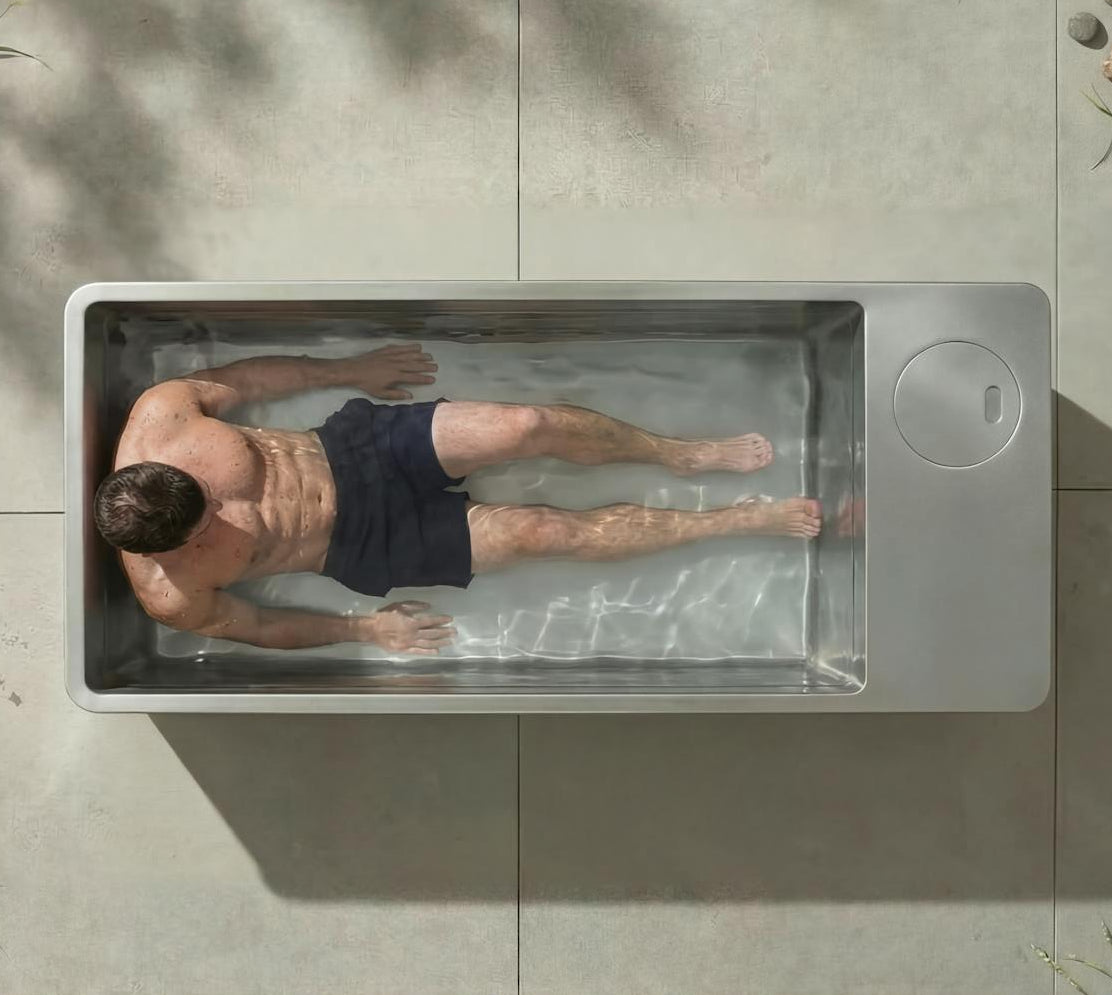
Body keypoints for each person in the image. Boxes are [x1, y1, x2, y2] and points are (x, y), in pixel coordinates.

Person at [94, 345, 822, 655]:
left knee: (527, 425)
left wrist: (350, 368)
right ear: (170, 549)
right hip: (364, 544)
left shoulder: (165, 417)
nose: (222, 517)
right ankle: (736, 519)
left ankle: (678, 453)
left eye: (208, 498)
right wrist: (362, 632)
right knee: (544, 531)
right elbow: (254, 623)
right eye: (205, 530)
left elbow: (247, 384)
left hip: (352, 449)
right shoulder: (172, 593)